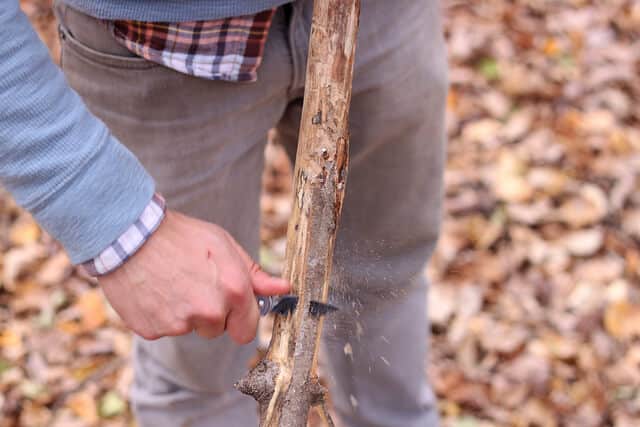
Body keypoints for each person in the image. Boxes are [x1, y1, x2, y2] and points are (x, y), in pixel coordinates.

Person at [0, 0, 448, 425]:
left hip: (381, 16)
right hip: (153, 45)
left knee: (386, 284)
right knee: (197, 366)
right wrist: (107, 212)